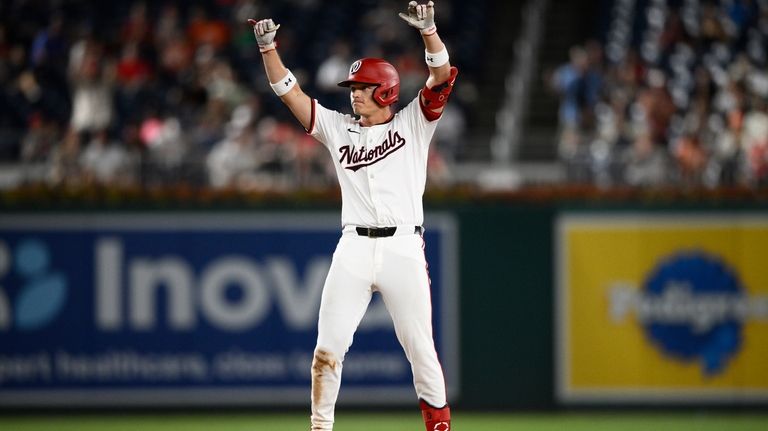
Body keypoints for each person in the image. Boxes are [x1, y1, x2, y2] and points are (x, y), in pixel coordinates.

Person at [249, 2, 457, 430]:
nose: (354, 93)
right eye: (353, 87)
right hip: (355, 248)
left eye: (362, 86)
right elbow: (289, 93)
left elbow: (440, 75)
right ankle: (320, 428)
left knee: (422, 351)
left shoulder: (414, 123)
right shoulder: (337, 127)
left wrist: (429, 32)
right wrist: (269, 49)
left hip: (402, 246)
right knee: (327, 350)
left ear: (385, 91)